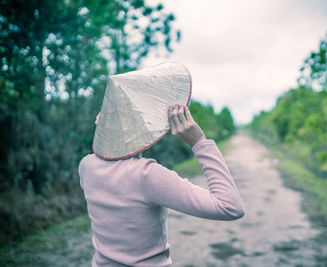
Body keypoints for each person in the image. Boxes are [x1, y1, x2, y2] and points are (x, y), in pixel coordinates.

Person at [79, 81, 245, 266]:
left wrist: (107, 131)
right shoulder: (146, 175)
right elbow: (230, 207)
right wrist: (199, 142)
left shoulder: (86, 166)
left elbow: (113, 162)